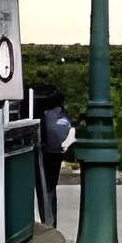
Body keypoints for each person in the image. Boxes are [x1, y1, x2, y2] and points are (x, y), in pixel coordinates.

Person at [35, 88, 75, 223]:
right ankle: (50, 220)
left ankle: (48, 220)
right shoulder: (61, 116)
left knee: (45, 188)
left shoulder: (45, 114)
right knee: (49, 188)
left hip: (46, 151)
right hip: (55, 152)